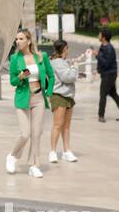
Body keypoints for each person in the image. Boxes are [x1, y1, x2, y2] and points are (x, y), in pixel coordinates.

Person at [7, 29, 54, 178]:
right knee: (25, 133)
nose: (17, 42)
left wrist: (49, 93)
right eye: (16, 39)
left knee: (36, 134)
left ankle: (34, 165)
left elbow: (51, 76)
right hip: (22, 98)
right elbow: (12, 81)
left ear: (28, 41)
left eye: (21, 39)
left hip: (39, 98)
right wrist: (20, 76)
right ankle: (12, 155)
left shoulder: (41, 57)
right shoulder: (15, 59)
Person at [48, 39, 80, 164]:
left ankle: (67, 151)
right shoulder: (57, 62)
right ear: (64, 49)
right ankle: (52, 151)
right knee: (58, 125)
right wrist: (74, 68)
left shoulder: (63, 62)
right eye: (67, 48)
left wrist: (72, 69)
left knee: (66, 126)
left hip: (68, 96)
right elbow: (67, 77)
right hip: (59, 95)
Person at [96, 29, 119, 122]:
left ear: (104, 37)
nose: (98, 36)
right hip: (106, 73)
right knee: (113, 94)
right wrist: (98, 69)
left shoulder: (109, 48)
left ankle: (101, 115)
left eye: (99, 34)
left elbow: (106, 63)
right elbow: (102, 61)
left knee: (103, 95)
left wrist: (97, 55)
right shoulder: (102, 46)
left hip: (109, 75)